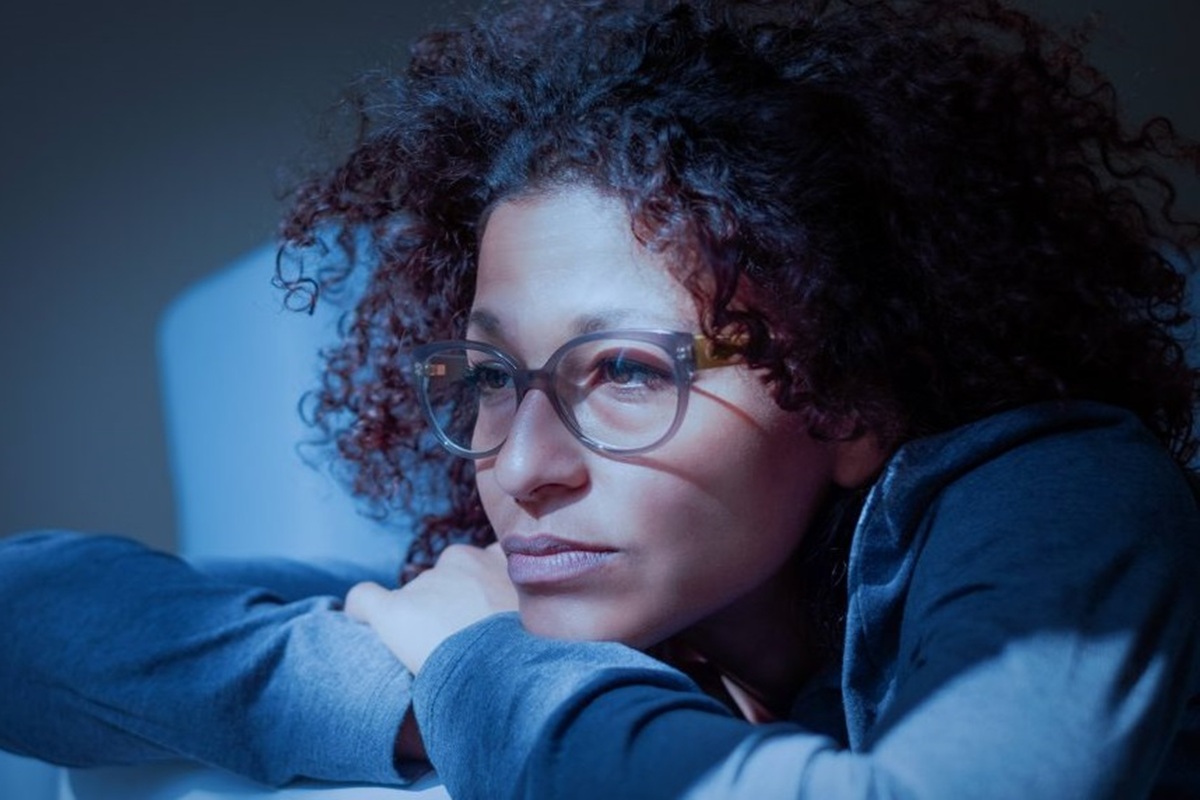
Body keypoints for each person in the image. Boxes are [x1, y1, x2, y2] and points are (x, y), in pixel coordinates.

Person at [2, 0, 1199, 797]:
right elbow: (26, 609)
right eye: (489, 378)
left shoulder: (1065, 491)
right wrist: (433, 686)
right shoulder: (625, 595)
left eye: (625, 370)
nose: (524, 469)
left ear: (848, 396)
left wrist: (480, 672)